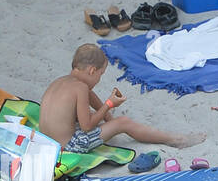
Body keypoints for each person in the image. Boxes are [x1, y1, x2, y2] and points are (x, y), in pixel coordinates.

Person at [38, 44, 204, 154]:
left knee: (94, 106)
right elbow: (87, 126)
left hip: (47, 143)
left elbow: (88, 96)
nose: (99, 79)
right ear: (91, 70)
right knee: (124, 122)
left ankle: (111, 122)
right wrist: (109, 105)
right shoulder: (80, 87)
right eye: (100, 75)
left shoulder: (60, 82)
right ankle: (177, 140)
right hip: (67, 148)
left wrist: (108, 119)